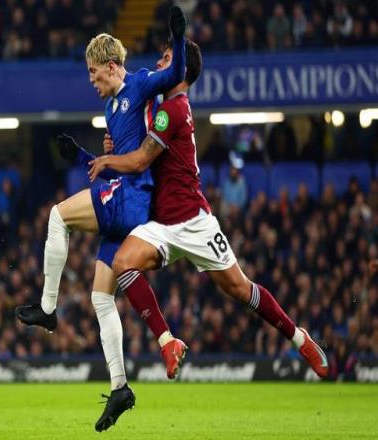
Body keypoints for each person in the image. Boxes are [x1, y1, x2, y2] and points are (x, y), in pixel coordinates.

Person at [88, 39, 329, 380]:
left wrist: (108, 159)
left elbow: (141, 159)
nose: (159, 64)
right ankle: (168, 342)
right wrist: (115, 140)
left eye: (167, 59)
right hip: (161, 222)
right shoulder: (159, 103)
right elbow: (134, 130)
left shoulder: (173, 109)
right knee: (123, 262)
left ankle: (299, 338)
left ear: (181, 69)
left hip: (194, 221)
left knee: (240, 289)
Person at [15, 6, 187, 432]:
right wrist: (81, 156)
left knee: (57, 216)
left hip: (133, 199)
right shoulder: (112, 110)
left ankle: (48, 309)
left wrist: (178, 38)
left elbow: (176, 73)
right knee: (100, 298)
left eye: (94, 73)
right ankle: (120, 387)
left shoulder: (141, 82)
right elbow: (110, 170)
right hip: (122, 198)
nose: (92, 82)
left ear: (112, 66)